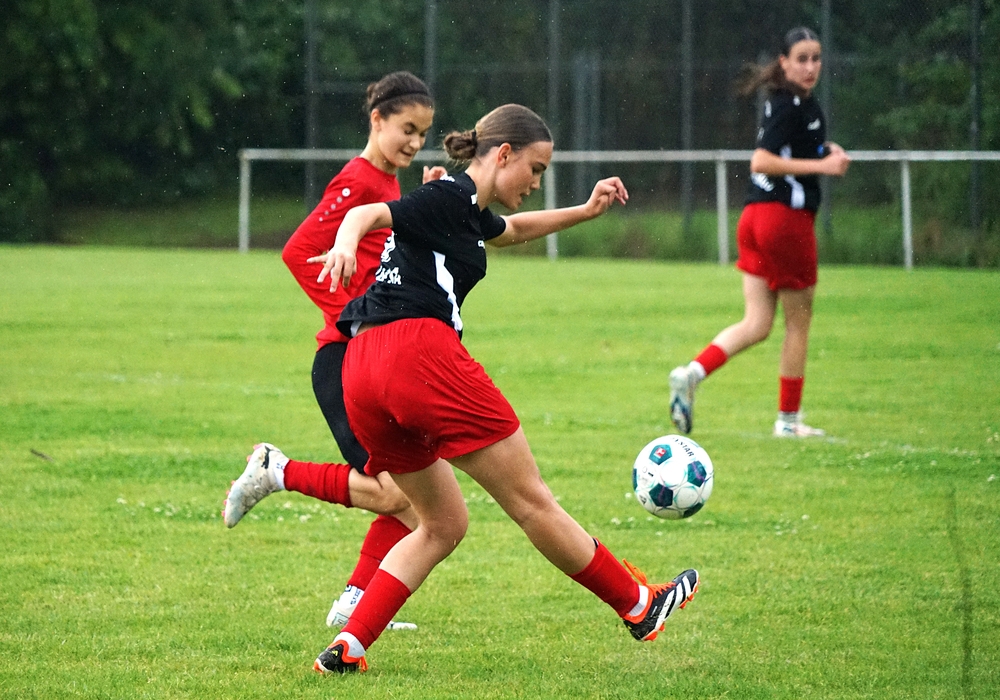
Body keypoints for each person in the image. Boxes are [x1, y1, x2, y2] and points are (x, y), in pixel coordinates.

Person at [306, 103, 699, 674]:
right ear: (504, 154)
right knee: (531, 500)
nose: (536, 183)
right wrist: (346, 243)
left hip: (363, 369)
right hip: (418, 354)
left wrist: (585, 211)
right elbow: (367, 213)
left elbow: (510, 232)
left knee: (443, 523)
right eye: (535, 169)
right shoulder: (447, 196)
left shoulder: (466, 211)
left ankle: (350, 645)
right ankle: (639, 604)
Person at [223, 71, 448, 630]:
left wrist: (426, 199)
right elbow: (299, 251)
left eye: (423, 133)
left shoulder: (388, 183)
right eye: (407, 129)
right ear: (377, 120)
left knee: (417, 491)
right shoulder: (359, 179)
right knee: (397, 493)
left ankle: (355, 601)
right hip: (345, 360)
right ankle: (276, 471)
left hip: (376, 357)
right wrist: (351, 317)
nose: (415, 142)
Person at [668, 27, 851, 438]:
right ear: (784, 62)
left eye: (816, 58)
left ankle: (691, 374)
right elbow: (762, 160)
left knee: (757, 323)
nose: (810, 67)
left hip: (754, 218)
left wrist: (825, 151)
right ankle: (788, 421)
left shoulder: (796, 104)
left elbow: (794, 148)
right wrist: (823, 166)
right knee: (798, 325)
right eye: (801, 59)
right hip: (784, 222)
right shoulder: (790, 105)